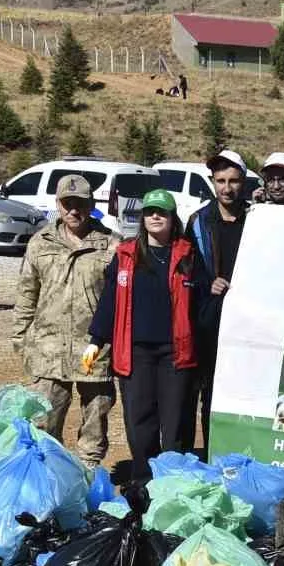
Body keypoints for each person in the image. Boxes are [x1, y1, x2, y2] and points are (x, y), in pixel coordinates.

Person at [84, 188, 197, 472]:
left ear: (173, 217)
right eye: (149, 211)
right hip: (135, 352)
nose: (155, 216)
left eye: (162, 211)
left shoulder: (188, 254)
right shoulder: (126, 255)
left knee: (175, 422)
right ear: (142, 217)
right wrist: (96, 339)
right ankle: (145, 478)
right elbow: (110, 299)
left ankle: (173, 478)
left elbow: (202, 303)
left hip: (176, 353)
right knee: (140, 419)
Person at [12, 174, 118, 469]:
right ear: (58, 205)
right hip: (49, 349)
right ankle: (49, 478)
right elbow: (26, 292)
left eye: (80, 204)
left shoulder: (111, 245)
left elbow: (121, 301)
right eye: (67, 203)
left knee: (95, 421)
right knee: (45, 422)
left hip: (94, 350)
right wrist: (21, 338)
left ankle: (87, 476)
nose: (73, 210)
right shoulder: (40, 243)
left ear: (91, 204)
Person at [185, 149, 249, 456]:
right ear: (212, 182)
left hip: (248, 323)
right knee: (209, 392)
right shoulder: (198, 222)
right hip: (209, 322)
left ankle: (240, 452)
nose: (227, 188)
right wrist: (205, 283)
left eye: (234, 180)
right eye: (221, 180)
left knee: (242, 392)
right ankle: (211, 452)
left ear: (244, 182)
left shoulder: (256, 220)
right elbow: (187, 268)